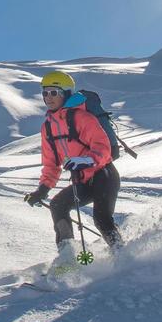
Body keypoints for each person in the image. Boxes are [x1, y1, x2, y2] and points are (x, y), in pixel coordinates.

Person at [24, 70, 121, 260]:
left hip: (104, 174)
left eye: (54, 92)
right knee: (57, 205)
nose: (48, 97)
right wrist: (42, 189)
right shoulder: (48, 127)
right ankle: (67, 259)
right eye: (45, 92)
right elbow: (51, 164)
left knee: (101, 219)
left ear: (66, 93)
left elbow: (103, 148)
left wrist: (86, 161)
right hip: (82, 180)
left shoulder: (82, 118)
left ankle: (122, 257)